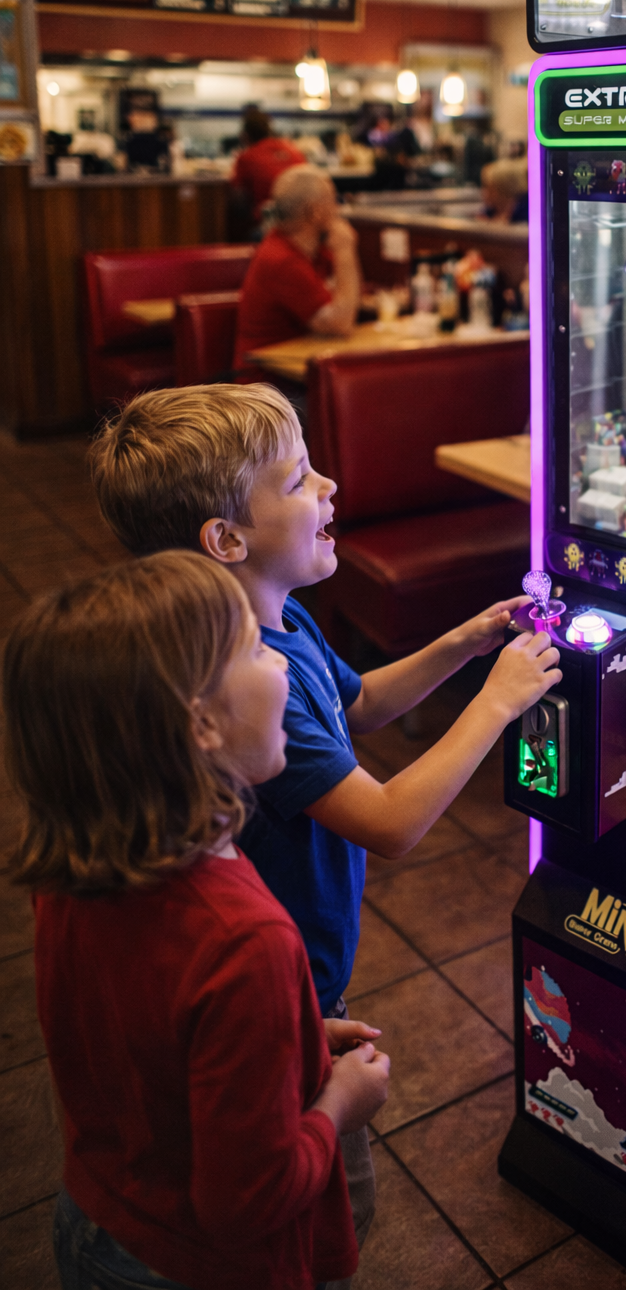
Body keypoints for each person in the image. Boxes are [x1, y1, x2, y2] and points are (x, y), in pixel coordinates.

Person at [89, 383, 561, 1253]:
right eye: (301, 477)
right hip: (280, 975)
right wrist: (495, 708)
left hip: (306, 976)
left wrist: (465, 644)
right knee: (313, 1211)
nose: (331, 488)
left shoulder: (286, 615)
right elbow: (389, 821)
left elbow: (363, 701)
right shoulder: (248, 683)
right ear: (227, 540)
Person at [4, 551, 391, 1290]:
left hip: (95, 1222)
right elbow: (247, 1200)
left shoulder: (75, 869)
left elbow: (149, 1028)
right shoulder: (247, 940)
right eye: (253, 648)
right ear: (203, 726)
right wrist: (340, 1101)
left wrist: (295, 1037)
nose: (280, 669)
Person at [233, 165, 362, 379]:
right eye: (334, 200)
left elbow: (346, 298)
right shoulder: (281, 259)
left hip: (298, 373)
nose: (339, 209)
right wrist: (345, 250)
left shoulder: (311, 249)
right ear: (315, 211)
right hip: (266, 389)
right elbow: (340, 323)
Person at [231, 105, 305, 228]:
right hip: (303, 220)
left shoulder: (247, 157)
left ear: (245, 135)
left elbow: (237, 195)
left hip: (270, 222)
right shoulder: (292, 150)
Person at [481, 157, 529, 223]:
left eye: (490, 188)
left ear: (504, 189)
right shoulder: (489, 212)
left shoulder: (526, 214)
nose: (485, 192)